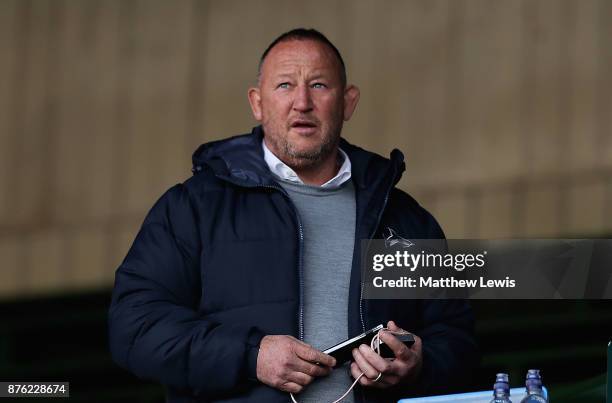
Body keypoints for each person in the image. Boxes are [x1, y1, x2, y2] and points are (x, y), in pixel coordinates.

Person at [108, 28, 478, 403]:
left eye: (319, 85)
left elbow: (458, 340)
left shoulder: (404, 219)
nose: (302, 102)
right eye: (284, 85)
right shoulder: (193, 209)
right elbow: (134, 329)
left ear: (348, 103)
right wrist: (252, 356)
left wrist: (417, 363)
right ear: (257, 103)